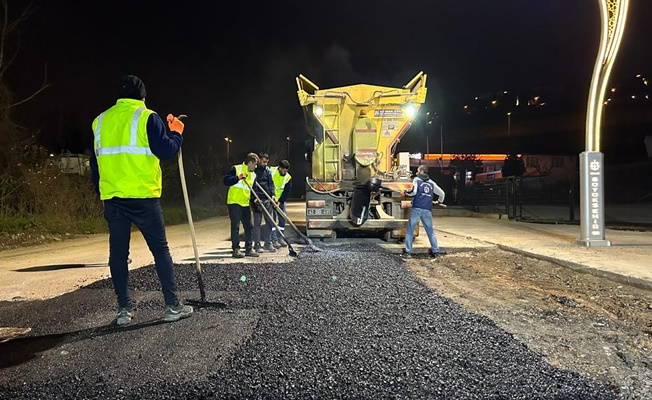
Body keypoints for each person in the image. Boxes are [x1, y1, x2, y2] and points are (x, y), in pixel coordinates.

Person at [90, 75, 193, 326]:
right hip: (144, 197)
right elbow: (166, 150)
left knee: (118, 255)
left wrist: (102, 191)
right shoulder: (147, 117)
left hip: (113, 198)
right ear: (143, 97)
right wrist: (176, 132)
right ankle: (171, 306)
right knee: (160, 251)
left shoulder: (100, 121)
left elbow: (95, 162)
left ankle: (124, 310)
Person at [401, 165, 446, 259]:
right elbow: (442, 193)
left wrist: (405, 192)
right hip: (427, 210)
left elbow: (414, 192)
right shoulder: (431, 183)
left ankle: (408, 252)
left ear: (421, 171)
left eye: (418, 170)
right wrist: (439, 201)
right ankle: (436, 252)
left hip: (417, 208)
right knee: (430, 232)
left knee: (410, 231)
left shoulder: (417, 179)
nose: (417, 172)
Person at [223, 152, 260, 258]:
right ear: (250, 163)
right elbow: (226, 181)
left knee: (249, 226)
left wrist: (254, 199)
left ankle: (249, 249)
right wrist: (238, 178)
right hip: (234, 202)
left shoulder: (253, 175)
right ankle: (236, 249)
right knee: (235, 226)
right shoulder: (236, 169)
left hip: (245, 203)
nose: (256, 167)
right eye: (255, 164)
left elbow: (252, 189)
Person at [251, 152, 277, 253]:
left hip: (267, 200)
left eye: (267, 162)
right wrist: (254, 198)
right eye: (263, 161)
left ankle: (268, 243)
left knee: (269, 222)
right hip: (257, 200)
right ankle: (257, 244)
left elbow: (271, 184)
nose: (265, 163)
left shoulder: (267, 172)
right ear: (259, 160)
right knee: (257, 223)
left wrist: (273, 195)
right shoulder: (254, 172)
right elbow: (252, 186)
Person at [269, 159, 292, 248]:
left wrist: (279, 202)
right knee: (273, 220)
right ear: (279, 168)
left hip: (280, 201)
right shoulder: (271, 171)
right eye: (283, 170)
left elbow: (286, 191)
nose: (284, 172)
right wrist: (272, 198)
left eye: (286, 170)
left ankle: (280, 237)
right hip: (271, 198)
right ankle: (273, 239)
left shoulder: (288, 178)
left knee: (282, 219)